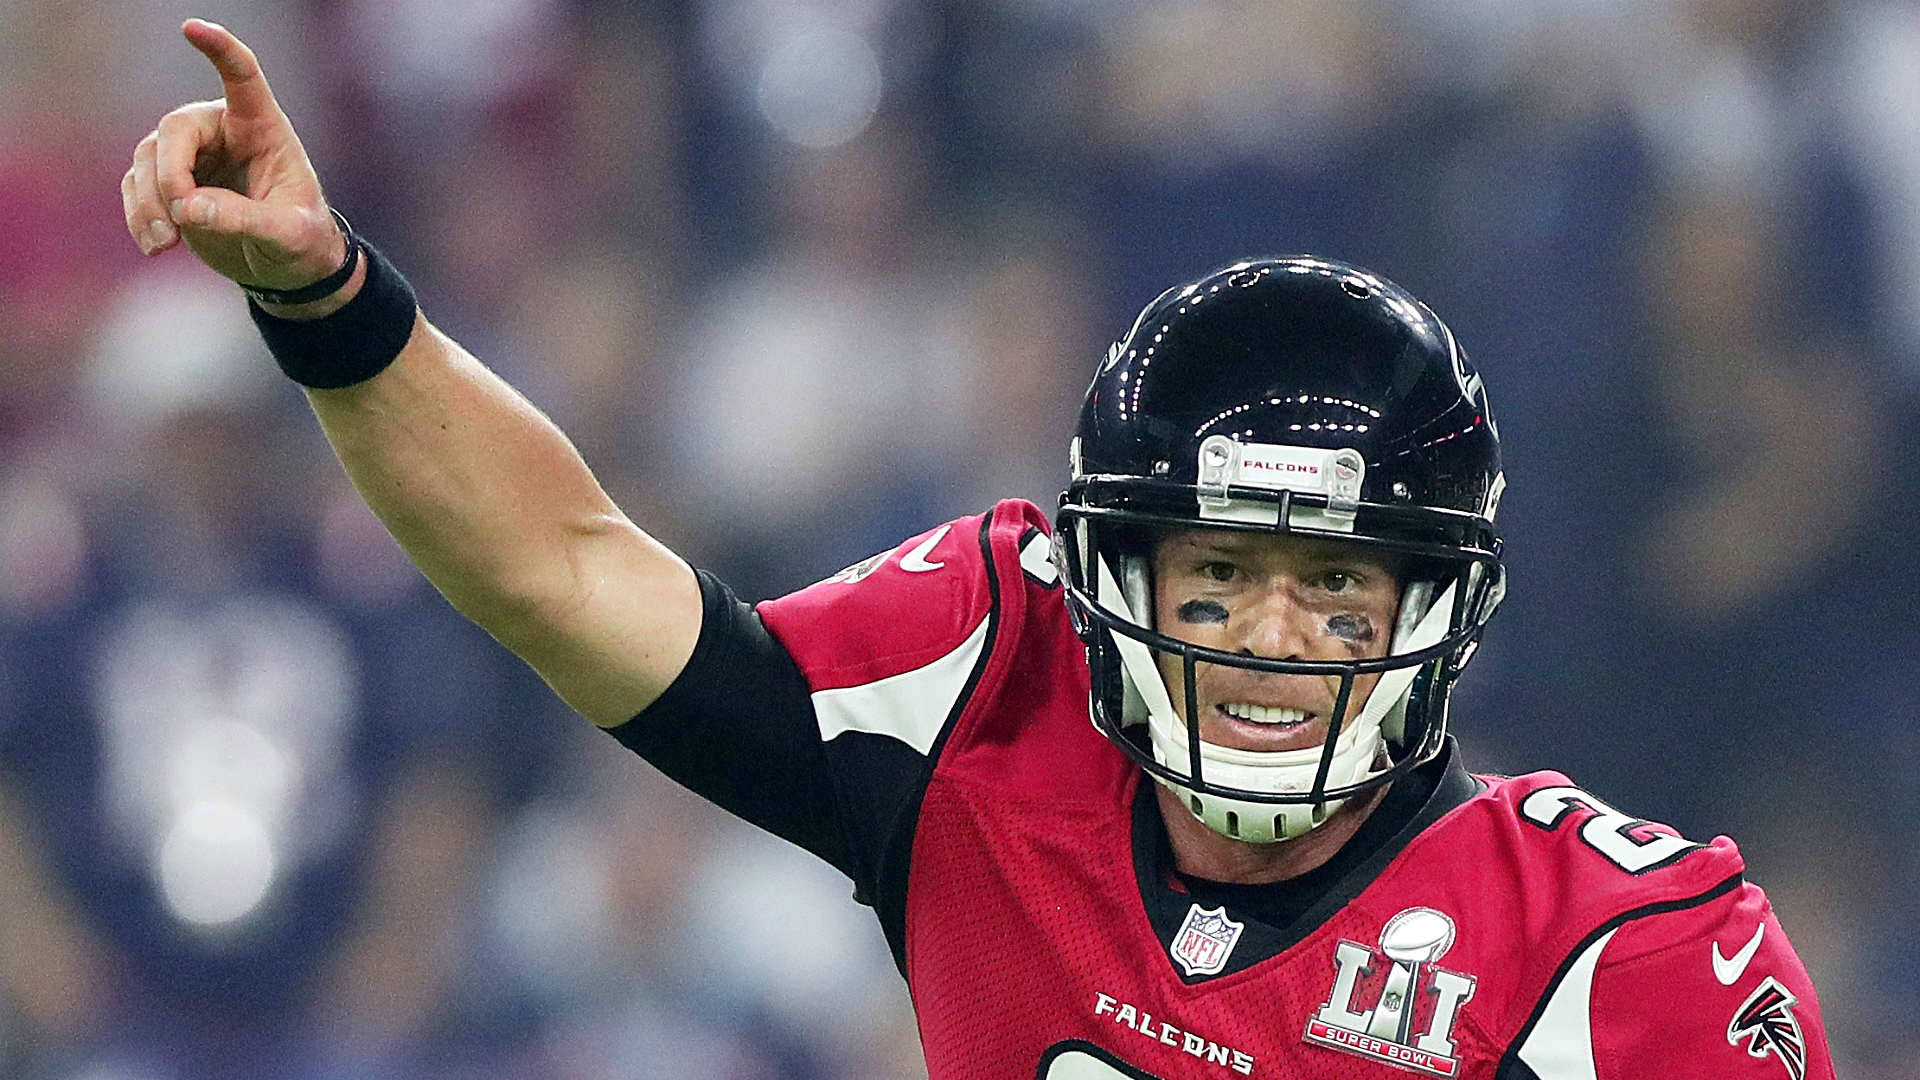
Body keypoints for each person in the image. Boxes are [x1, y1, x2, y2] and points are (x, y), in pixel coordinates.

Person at [121, 19, 1836, 1079]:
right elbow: (569, 568)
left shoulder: (1618, 951)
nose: (1266, 636)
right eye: (1217, 576)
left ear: (1438, 611)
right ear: (1112, 587)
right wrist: (334, 302)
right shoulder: (986, 690)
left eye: (1335, 586)